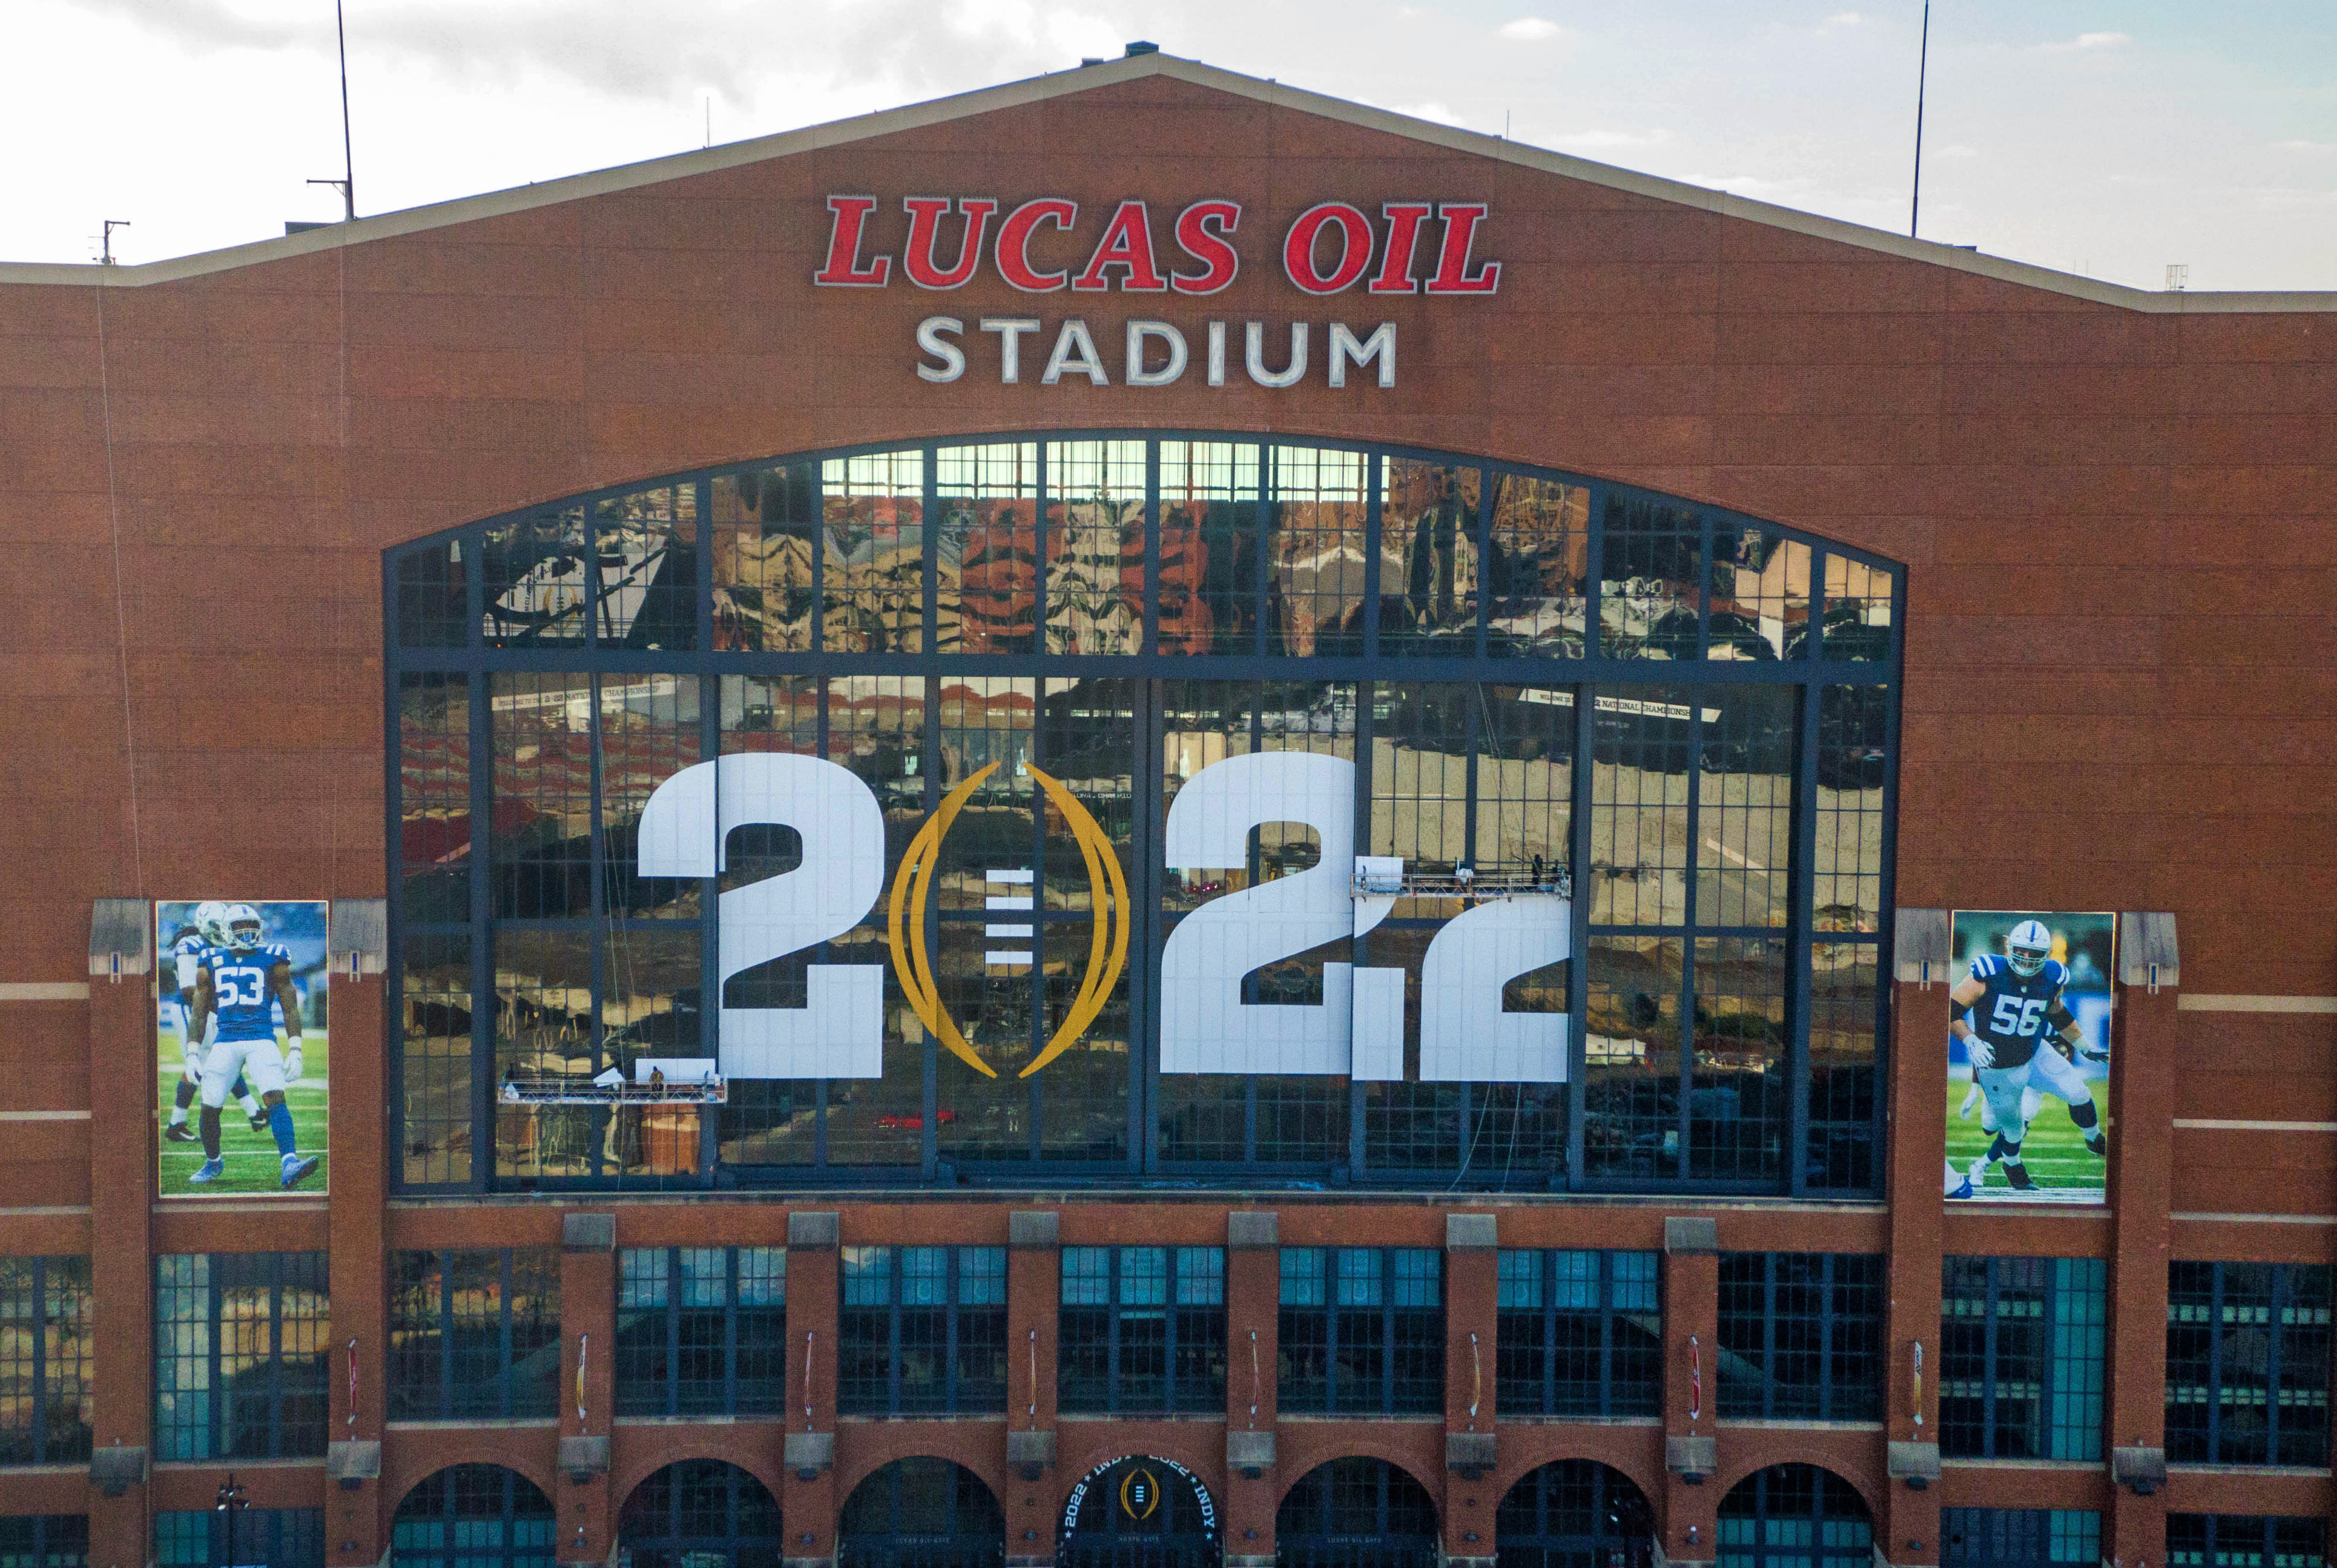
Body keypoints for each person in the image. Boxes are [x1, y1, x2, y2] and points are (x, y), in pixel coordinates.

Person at [1948, 918, 2108, 1197]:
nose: (2026, 957)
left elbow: (2057, 1013)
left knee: (2079, 1092)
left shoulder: (2053, 976)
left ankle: (2094, 1138)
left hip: (2036, 1051)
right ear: (2010, 947)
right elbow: (1948, 1011)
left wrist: (2083, 1046)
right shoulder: (1989, 973)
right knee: (2010, 1128)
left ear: (2045, 955)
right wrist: (1970, 1039)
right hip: (1998, 1066)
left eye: (2034, 953)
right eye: (2021, 950)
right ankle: (2012, 1165)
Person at [183, 904, 320, 1188]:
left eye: (251, 925)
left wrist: (296, 1048)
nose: (247, 931)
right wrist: (192, 1053)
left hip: (261, 1038)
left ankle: (290, 1163)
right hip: (225, 1040)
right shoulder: (209, 959)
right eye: (239, 926)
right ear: (225, 930)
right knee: (210, 1106)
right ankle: (213, 1162)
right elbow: (198, 1012)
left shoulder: (273, 957)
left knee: (275, 1097)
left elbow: (290, 1006)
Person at [162, 903, 266, 1143]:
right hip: (192, 1010)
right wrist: (222, 1007)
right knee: (201, 1064)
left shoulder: (218, 946)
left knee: (223, 1059)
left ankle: (255, 1113)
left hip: (209, 1010)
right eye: (216, 927)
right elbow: (189, 989)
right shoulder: (191, 944)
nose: (221, 932)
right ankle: (176, 1123)